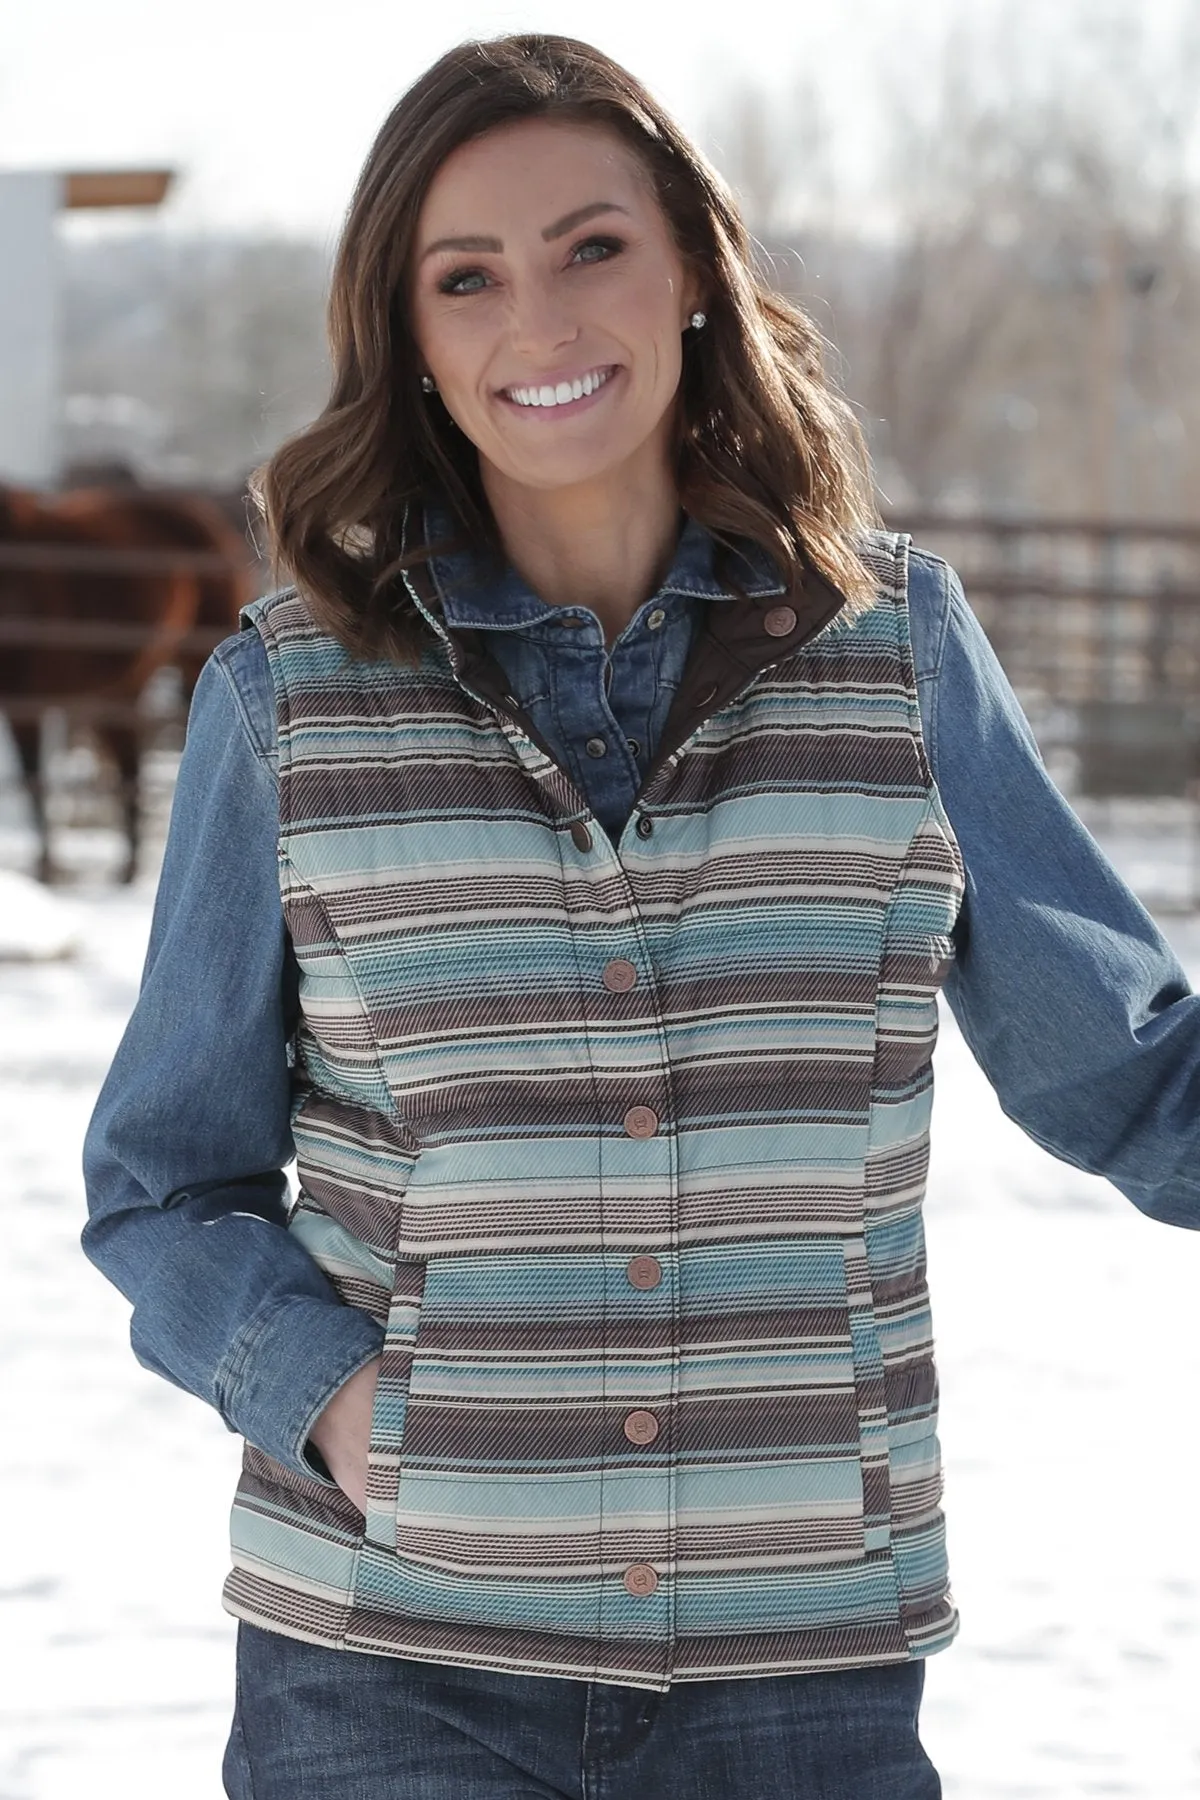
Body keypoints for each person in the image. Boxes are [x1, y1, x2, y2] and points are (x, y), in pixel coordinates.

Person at [81, 32, 1200, 1800]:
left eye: (590, 245)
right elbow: (162, 1180)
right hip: (389, 1668)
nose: (541, 317)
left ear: (689, 270)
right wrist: (344, 1407)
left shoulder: (900, 659)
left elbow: (1128, 1073)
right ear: (416, 341)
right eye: (469, 278)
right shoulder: (288, 703)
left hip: (798, 1665)